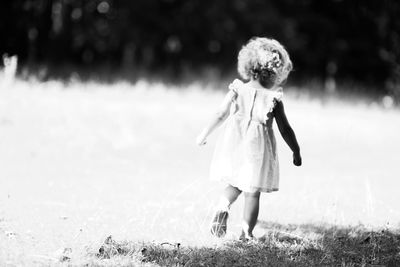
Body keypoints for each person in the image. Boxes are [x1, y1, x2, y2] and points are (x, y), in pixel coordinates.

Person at [196, 37, 302, 240]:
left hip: (234, 144)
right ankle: (246, 233)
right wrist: (295, 150)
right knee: (252, 192)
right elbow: (285, 129)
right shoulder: (273, 98)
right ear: (276, 72)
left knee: (235, 184)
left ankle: (222, 206)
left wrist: (203, 134)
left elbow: (220, 114)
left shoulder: (237, 89)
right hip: (258, 149)